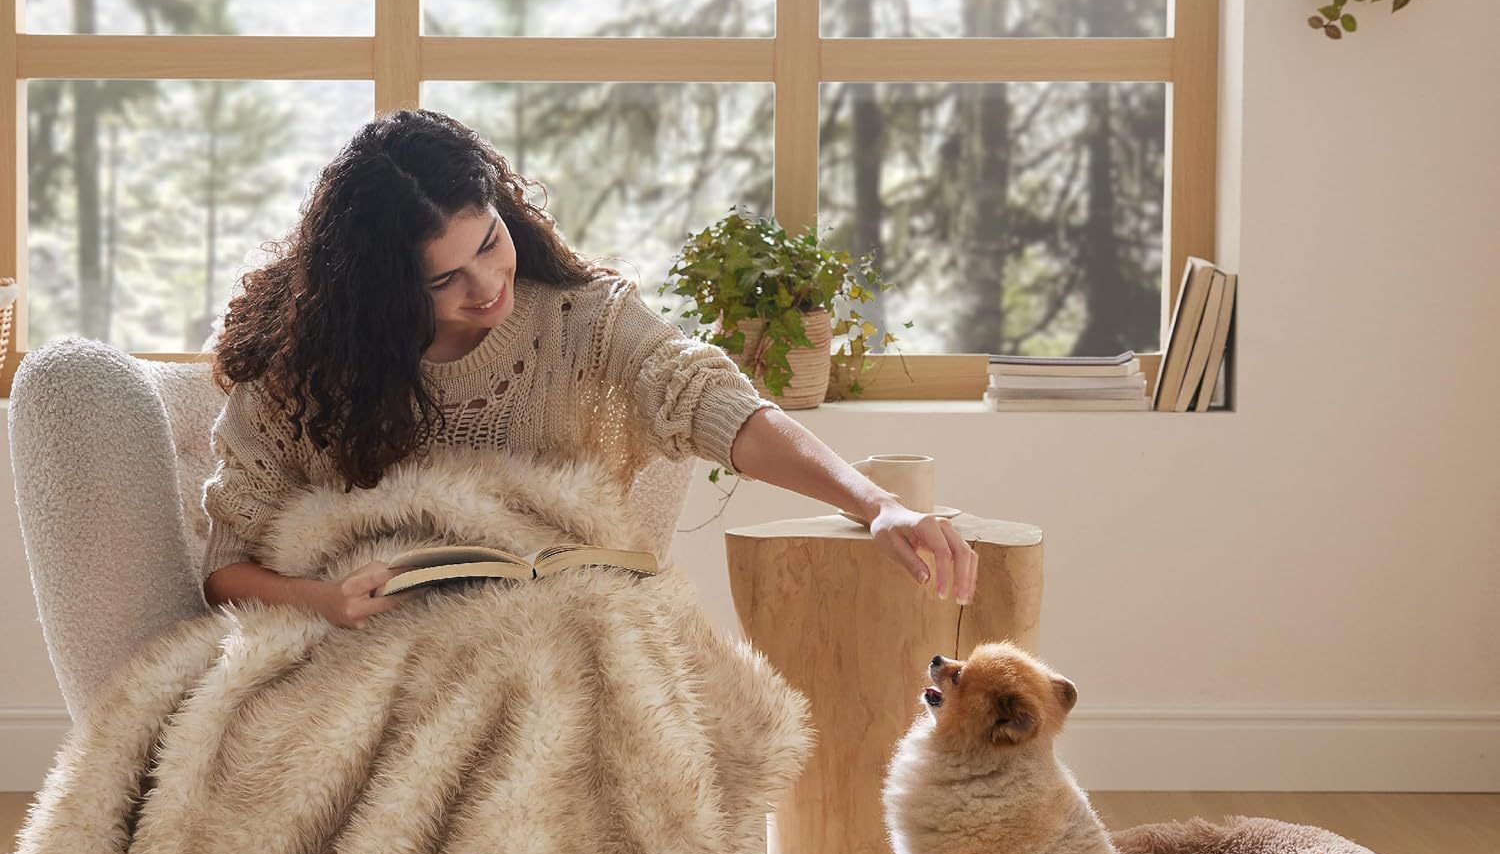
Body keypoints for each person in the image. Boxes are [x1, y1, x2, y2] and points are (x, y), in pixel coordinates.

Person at [201, 108, 977, 629]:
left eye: (488, 244)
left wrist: (877, 504)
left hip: (556, 642)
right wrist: (324, 601)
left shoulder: (586, 321)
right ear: (378, 292)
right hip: (378, 650)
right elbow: (225, 570)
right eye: (442, 281)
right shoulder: (303, 379)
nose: (485, 288)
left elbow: (708, 398)